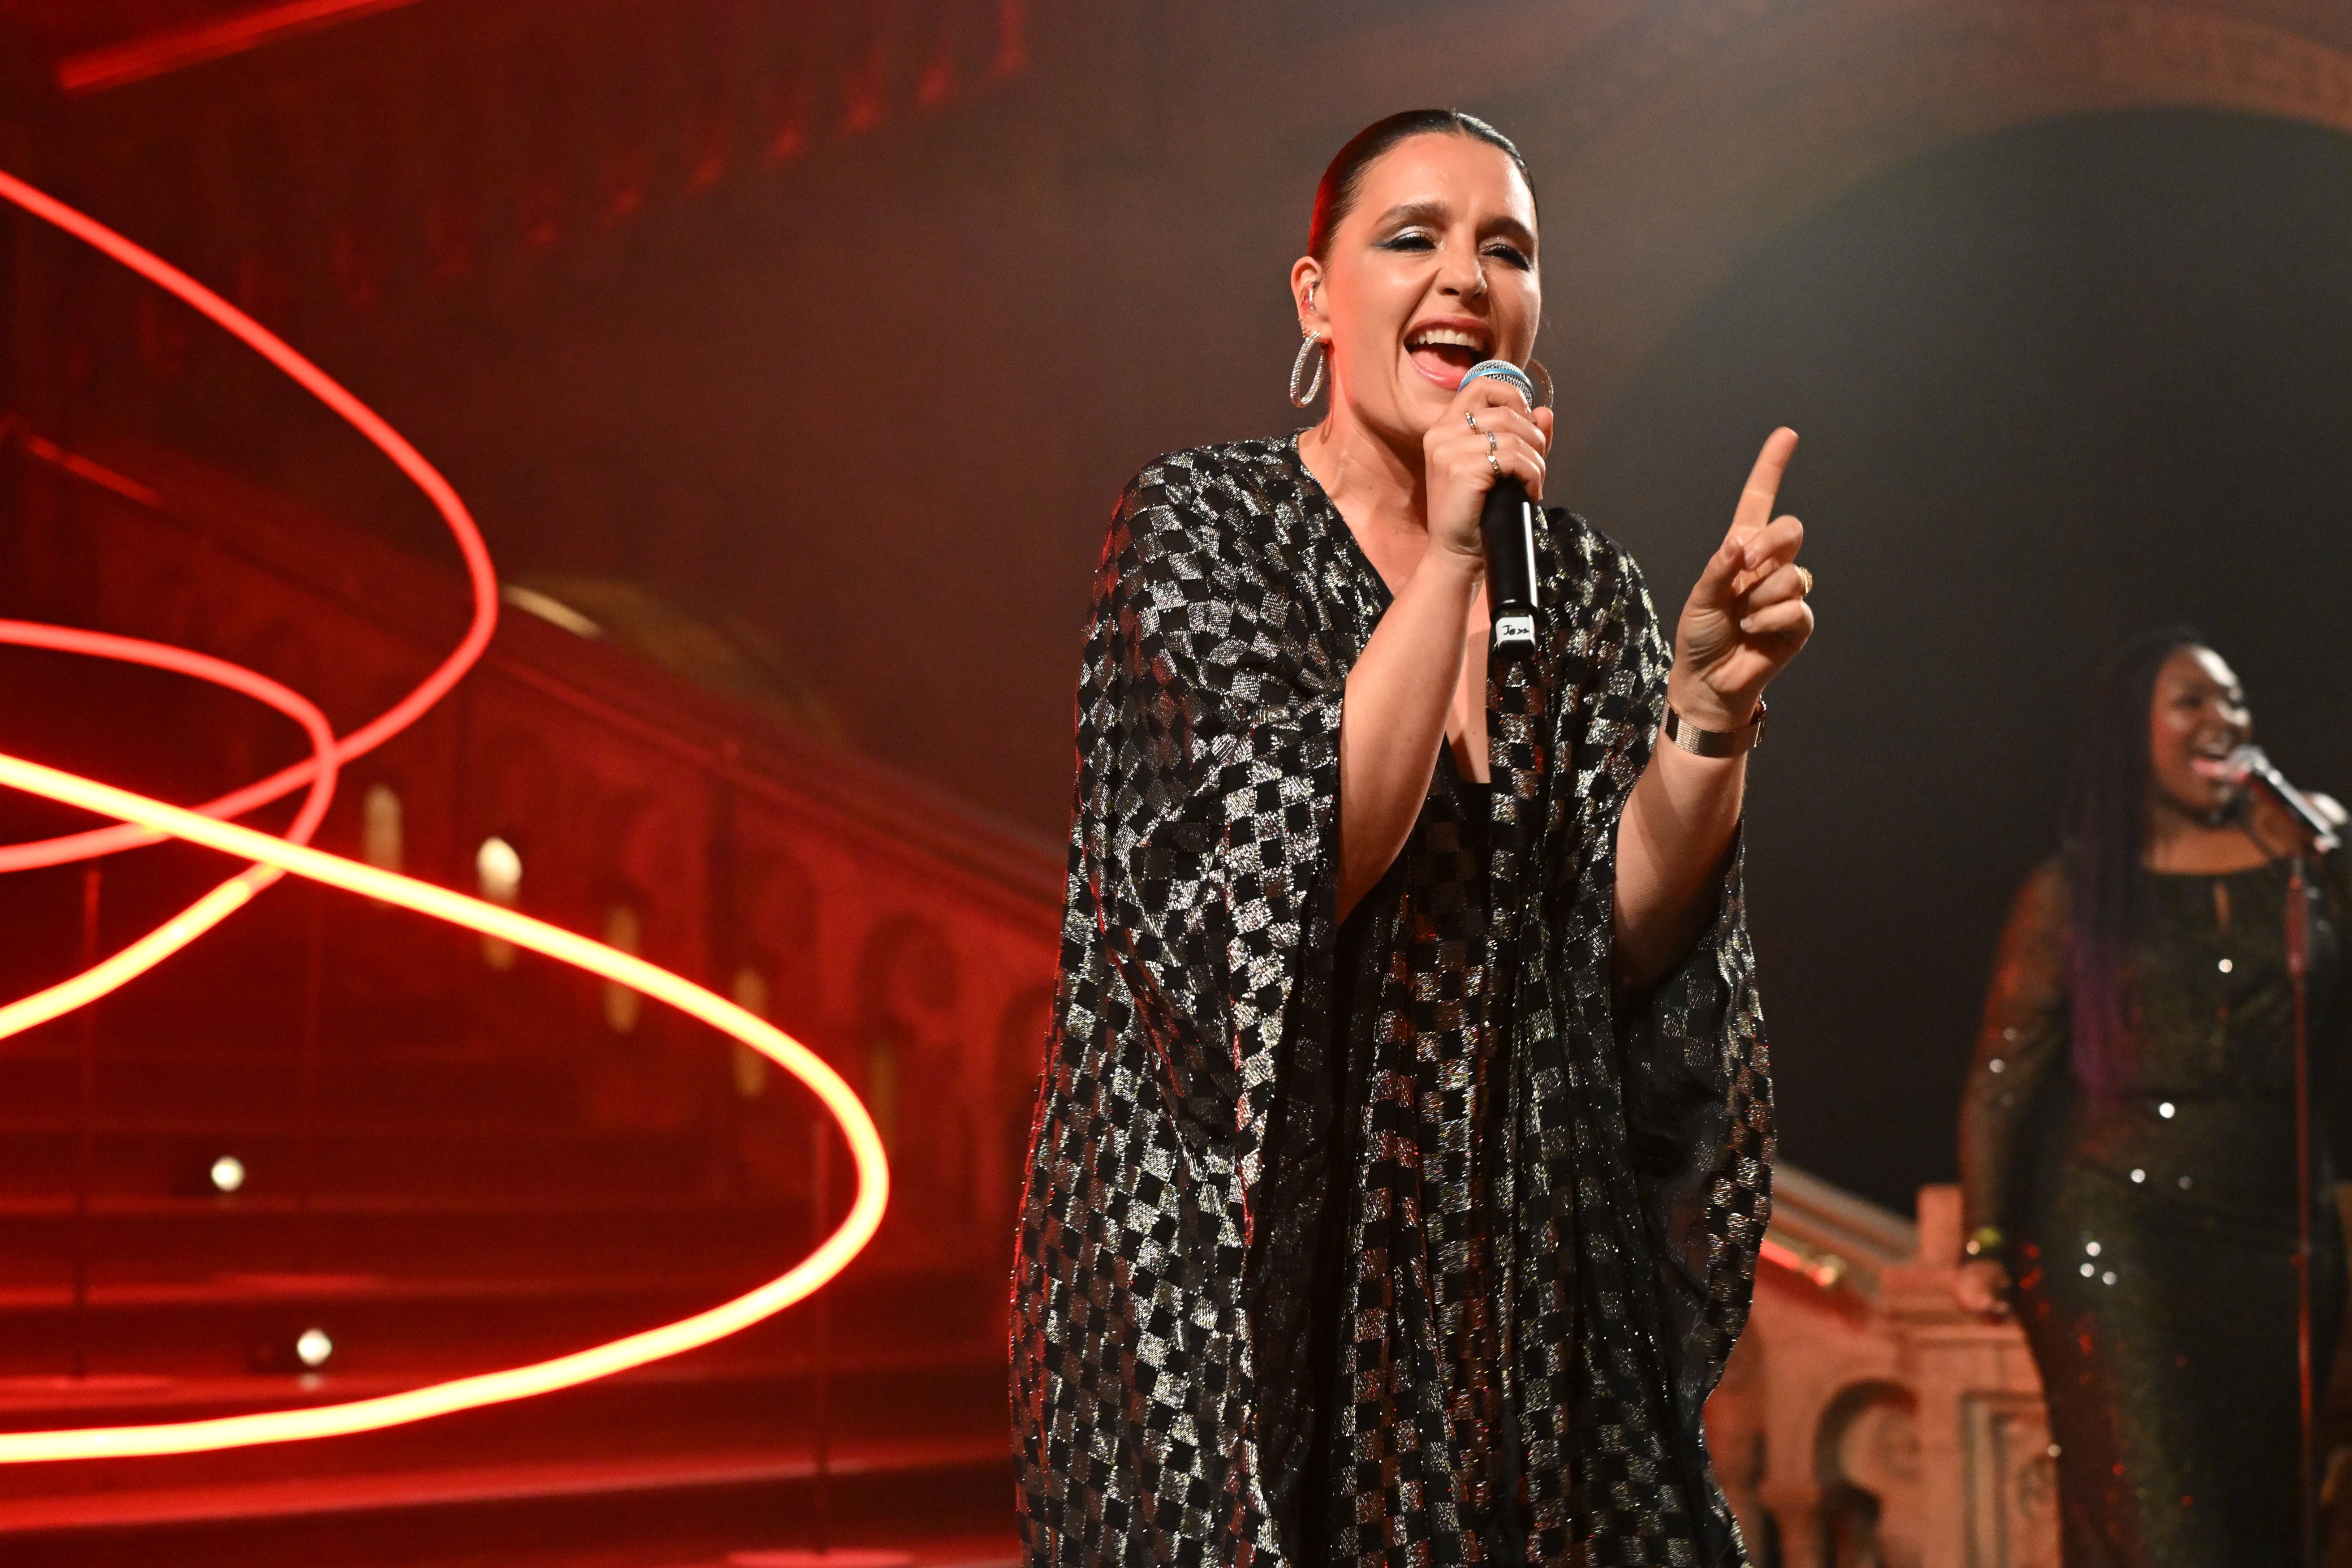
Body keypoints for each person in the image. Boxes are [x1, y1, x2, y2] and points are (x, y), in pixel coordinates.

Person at [1010, 108, 1814, 1565]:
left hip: (1521, 1269)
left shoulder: (1572, 583)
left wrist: (1707, 720)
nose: (1467, 277)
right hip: (1272, 1283)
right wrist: (1446, 553)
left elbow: (1612, 944)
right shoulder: (1204, 528)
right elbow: (1292, 868)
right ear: (1318, 296)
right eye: (1414, 239)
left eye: (1506, 248)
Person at [1956, 629, 2348, 1563]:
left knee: (2266, 1524)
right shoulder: (2074, 892)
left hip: (2279, 1231)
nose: (2225, 720)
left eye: (2235, 702)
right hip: (2115, 1230)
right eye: (2192, 702)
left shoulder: (2313, 850)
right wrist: (1987, 1237)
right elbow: (2002, 1080)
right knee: (2161, 1528)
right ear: (2133, 734)